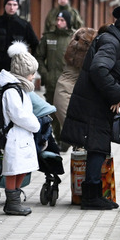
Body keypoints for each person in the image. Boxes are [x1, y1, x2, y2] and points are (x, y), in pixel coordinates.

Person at [60, 6, 120, 210]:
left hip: (93, 101)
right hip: (94, 103)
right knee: (97, 147)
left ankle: (93, 194)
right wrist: (115, 94)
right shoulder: (111, 43)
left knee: (98, 147)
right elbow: (99, 68)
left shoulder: (108, 39)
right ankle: (91, 196)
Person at [0, 41, 43, 216]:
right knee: (13, 168)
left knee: (23, 166)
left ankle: (14, 199)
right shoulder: (11, 90)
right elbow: (18, 115)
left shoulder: (20, 89)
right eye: (31, 72)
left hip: (23, 134)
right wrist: (35, 124)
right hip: (15, 135)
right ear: (23, 72)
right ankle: (11, 202)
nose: (33, 76)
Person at [52, 27, 97, 153]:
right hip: (66, 92)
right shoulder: (81, 57)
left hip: (69, 92)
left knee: (81, 141)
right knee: (78, 137)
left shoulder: (80, 60)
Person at [36, 10, 74, 146]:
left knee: (67, 111)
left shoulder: (74, 38)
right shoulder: (48, 37)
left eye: (62, 20)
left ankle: (67, 139)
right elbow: (39, 57)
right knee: (53, 112)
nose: (59, 23)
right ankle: (59, 139)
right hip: (52, 82)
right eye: (57, 20)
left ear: (68, 22)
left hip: (69, 83)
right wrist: (45, 74)